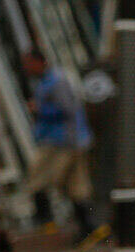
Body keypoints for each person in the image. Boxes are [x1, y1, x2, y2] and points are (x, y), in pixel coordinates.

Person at [20, 50, 99, 238]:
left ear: (39, 62)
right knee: (76, 186)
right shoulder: (51, 80)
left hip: (61, 141)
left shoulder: (56, 82)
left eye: (28, 63)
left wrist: (40, 109)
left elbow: (68, 109)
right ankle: (91, 228)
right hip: (71, 140)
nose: (26, 68)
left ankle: (45, 223)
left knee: (37, 179)